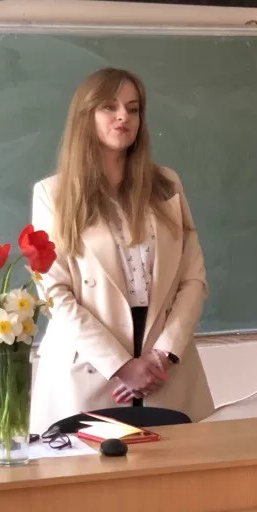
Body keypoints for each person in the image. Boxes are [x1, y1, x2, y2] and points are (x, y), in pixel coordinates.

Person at [30, 67, 214, 431]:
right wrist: (121, 365)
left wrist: (162, 356)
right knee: (90, 467)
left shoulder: (167, 185)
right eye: (109, 107)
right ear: (86, 116)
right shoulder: (53, 194)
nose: (123, 117)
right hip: (90, 369)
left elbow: (193, 279)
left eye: (133, 109)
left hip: (166, 369)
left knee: (175, 464)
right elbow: (54, 293)